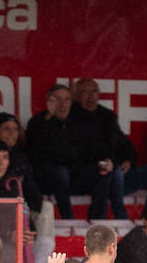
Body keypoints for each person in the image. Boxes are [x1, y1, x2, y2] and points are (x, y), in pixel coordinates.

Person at [70, 78, 147, 216]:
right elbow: (76, 154)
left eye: (94, 92)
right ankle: (121, 217)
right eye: (85, 93)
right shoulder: (70, 117)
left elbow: (124, 144)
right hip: (89, 177)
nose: (91, 96)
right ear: (75, 96)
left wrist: (128, 160)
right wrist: (108, 163)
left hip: (117, 178)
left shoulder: (107, 116)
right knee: (112, 169)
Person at [26, 83, 125, 220]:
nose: (63, 104)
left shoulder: (80, 121)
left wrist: (106, 160)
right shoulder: (39, 122)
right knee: (60, 172)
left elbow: (96, 148)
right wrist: (49, 118)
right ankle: (69, 219)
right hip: (50, 180)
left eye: (66, 99)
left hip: (76, 176)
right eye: (57, 100)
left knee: (105, 168)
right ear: (49, 102)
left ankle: (97, 218)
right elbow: (37, 153)